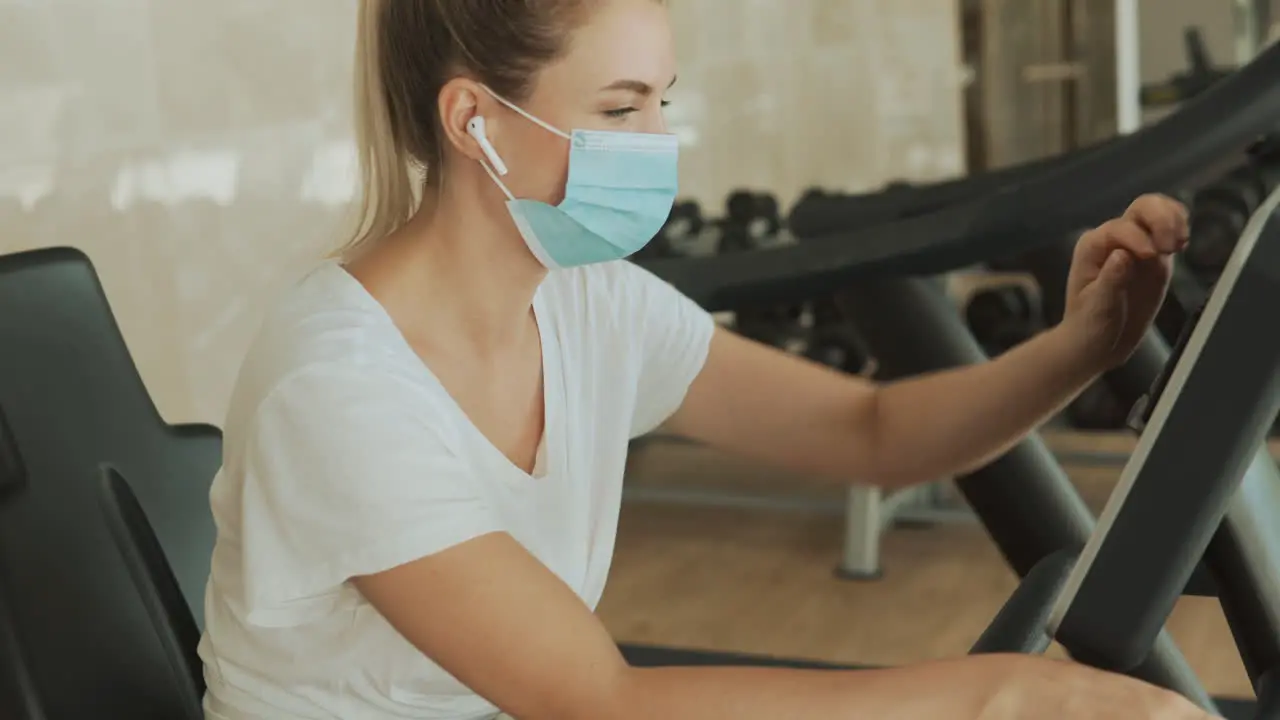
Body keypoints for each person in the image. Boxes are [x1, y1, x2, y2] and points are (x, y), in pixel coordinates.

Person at [196, 0, 1218, 718]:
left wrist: (1081, 347)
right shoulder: (337, 391)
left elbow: (869, 433)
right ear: (472, 119)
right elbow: (594, 700)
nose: (656, 143)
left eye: (660, 103)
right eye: (616, 108)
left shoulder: (587, 300)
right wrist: (997, 699)